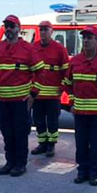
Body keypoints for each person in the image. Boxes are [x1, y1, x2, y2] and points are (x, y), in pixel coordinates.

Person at [64, 25, 97, 186]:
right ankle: (82, 172)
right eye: (84, 38)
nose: (86, 41)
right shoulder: (75, 61)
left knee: (95, 146)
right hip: (80, 113)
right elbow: (67, 84)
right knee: (81, 145)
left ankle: (94, 174)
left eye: (90, 38)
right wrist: (72, 104)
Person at [0, 15, 44, 177]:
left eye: (12, 26)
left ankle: (20, 164)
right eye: (6, 26)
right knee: (7, 133)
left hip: (20, 101)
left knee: (20, 133)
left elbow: (41, 73)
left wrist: (33, 95)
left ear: (19, 29)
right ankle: (9, 162)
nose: (8, 29)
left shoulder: (28, 49)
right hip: (2, 101)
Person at [30, 20, 69, 157]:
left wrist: (63, 86)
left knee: (52, 121)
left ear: (52, 31)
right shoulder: (33, 47)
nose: (43, 32)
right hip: (37, 94)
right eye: (41, 30)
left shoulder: (59, 49)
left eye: (46, 29)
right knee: (38, 120)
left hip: (53, 94)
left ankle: (51, 145)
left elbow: (66, 70)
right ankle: (42, 143)